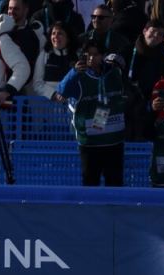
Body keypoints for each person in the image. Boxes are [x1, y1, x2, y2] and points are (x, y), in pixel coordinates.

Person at [56, 39, 127, 185]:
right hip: (90, 143)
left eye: (96, 54)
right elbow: (62, 91)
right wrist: (74, 72)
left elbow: (129, 88)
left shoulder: (114, 73)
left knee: (115, 185)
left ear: (103, 56)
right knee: (90, 183)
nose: (91, 58)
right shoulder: (79, 77)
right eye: (88, 54)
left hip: (114, 140)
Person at [6, 0, 43, 93]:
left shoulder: (31, 36)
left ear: (26, 10)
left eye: (16, 9)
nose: (11, 12)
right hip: (0, 85)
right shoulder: (1, 31)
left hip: (19, 88)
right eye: (10, 8)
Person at [32, 20, 75, 99]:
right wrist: (53, 94)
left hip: (71, 102)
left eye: (60, 33)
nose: (56, 36)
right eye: (53, 33)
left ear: (68, 38)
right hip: (48, 103)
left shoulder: (76, 56)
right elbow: (37, 83)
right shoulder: (44, 54)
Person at [83, 4, 130, 68]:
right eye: (93, 17)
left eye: (101, 17)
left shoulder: (121, 41)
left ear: (111, 20)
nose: (96, 20)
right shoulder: (82, 38)